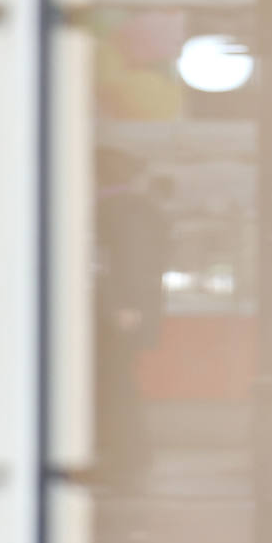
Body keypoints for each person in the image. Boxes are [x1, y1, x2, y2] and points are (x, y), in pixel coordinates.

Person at [95, 148, 168, 490]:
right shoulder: (135, 208)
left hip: (118, 314)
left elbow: (132, 264)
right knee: (117, 382)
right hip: (123, 311)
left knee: (117, 384)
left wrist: (124, 308)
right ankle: (126, 454)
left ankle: (127, 456)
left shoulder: (122, 210)